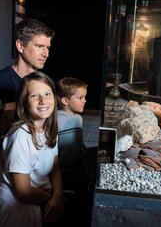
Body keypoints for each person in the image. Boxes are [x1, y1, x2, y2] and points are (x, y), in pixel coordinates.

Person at [0, 18, 55, 225]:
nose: (46, 53)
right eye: (40, 46)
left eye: (48, 47)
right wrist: (16, 158)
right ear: (20, 45)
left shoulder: (42, 84)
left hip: (35, 151)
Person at [0, 71, 63, 227]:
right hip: (17, 204)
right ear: (24, 103)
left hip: (42, 194)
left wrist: (58, 196)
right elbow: (23, 191)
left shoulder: (50, 128)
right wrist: (52, 199)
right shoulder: (20, 136)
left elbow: (55, 169)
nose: (43, 100)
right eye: (34, 96)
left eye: (47, 93)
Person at [56, 77, 92, 226]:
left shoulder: (78, 119)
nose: (85, 101)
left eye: (85, 97)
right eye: (80, 97)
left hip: (77, 166)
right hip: (62, 170)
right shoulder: (56, 120)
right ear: (65, 100)